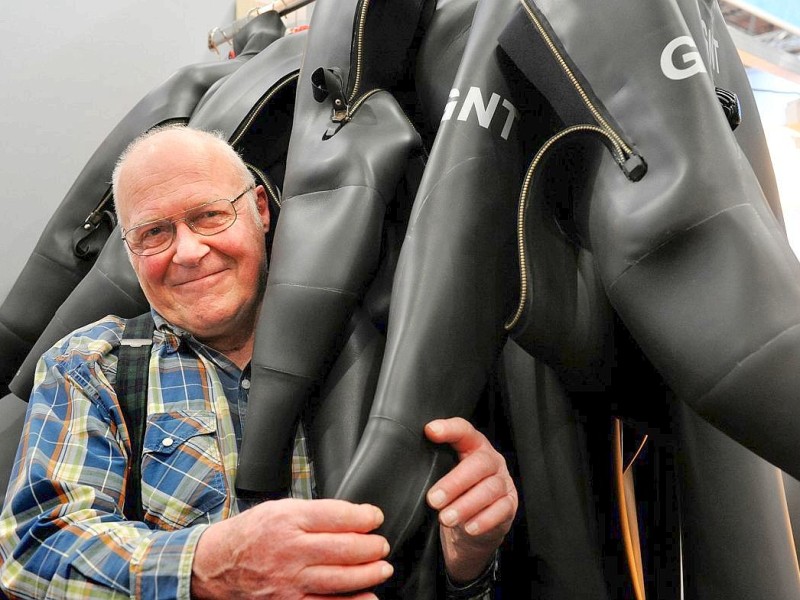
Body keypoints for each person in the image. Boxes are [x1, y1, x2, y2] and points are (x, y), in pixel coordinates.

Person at [0, 126, 518, 599]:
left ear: (260, 211)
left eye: (209, 215)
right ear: (131, 253)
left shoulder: (383, 353)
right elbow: (32, 550)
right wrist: (207, 565)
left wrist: (467, 561)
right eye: (154, 233)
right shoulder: (93, 368)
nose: (188, 251)